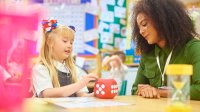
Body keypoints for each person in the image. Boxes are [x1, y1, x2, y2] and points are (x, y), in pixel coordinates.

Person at [131, 0, 200, 100]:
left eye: (144, 24)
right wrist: (144, 91)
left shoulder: (194, 48)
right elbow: (134, 90)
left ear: (162, 19)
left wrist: (160, 92)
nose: (141, 31)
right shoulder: (147, 54)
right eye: (139, 28)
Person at [32, 19, 97, 98]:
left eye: (71, 42)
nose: (70, 45)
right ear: (49, 42)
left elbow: (82, 95)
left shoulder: (74, 69)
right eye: (65, 41)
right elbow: (47, 93)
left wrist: (94, 95)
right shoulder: (41, 68)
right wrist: (78, 85)